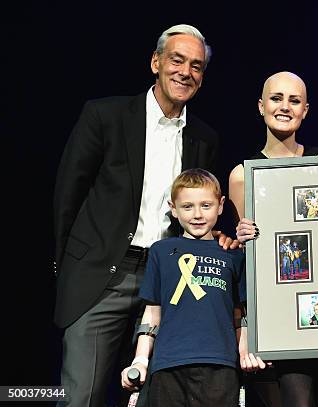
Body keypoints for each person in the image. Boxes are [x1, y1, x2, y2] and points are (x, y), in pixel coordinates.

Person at [53, 24, 236, 406]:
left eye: (197, 66)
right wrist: (67, 265)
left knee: (160, 395)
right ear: (156, 62)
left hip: (170, 279)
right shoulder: (106, 115)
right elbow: (68, 194)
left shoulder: (204, 138)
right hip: (104, 275)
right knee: (79, 396)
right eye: (177, 60)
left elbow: (198, 209)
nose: (186, 72)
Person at [229, 71, 318, 407]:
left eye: (294, 100)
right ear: (261, 106)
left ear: (305, 110)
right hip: (278, 316)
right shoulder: (243, 174)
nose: (285, 106)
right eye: (276, 98)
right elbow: (244, 256)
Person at [120, 169, 258, 407]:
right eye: (187, 207)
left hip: (220, 364)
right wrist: (140, 360)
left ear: (221, 205)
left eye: (206, 205)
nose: (197, 215)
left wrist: (244, 352)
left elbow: (239, 314)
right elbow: (153, 313)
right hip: (168, 364)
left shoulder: (232, 254)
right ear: (173, 208)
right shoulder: (161, 251)